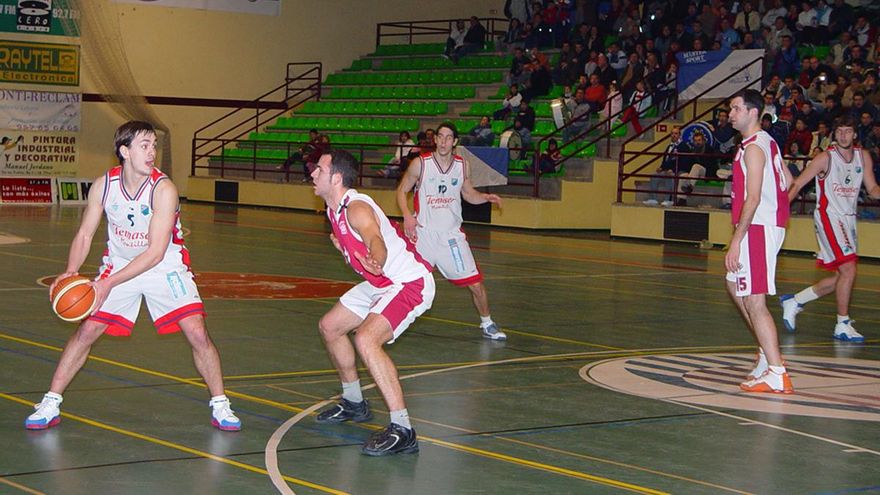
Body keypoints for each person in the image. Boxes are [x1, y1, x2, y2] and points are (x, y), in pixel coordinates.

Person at [25, 121, 241, 431]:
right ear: (124, 151)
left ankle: (221, 405)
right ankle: (50, 402)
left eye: (154, 145)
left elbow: (154, 252)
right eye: (144, 145)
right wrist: (70, 272)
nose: (152, 151)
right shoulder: (104, 185)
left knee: (196, 331)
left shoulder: (164, 189)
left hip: (164, 266)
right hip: (119, 262)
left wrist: (106, 284)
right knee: (87, 332)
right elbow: (85, 234)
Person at [312, 149, 435, 456]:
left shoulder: (356, 207)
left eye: (320, 169)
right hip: (379, 284)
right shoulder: (334, 210)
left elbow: (373, 237)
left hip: (409, 283)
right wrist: (342, 244)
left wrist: (376, 259)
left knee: (367, 340)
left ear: (336, 178)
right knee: (330, 327)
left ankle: (403, 429)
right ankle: (354, 401)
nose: (313, 173)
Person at [396, 123, 506, 340]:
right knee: (399, 277)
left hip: (451, 237)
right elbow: (402, 190)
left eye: (449, 138)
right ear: (435, 139)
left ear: (455, 142)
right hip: (423, 235)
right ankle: (380, 317)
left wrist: (484, 197)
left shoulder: (462, 166)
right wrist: (407, 216)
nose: (444, 141)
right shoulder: (420, 164)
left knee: (475, 284)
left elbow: (468, 194)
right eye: (440, 137)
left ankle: (487, 323)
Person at [780, 117, 880, 342]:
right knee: (849, 270)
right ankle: (842, 324)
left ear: (855, 134)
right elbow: (798, 183)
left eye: (848, 131)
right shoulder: (825, 158)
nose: (844, 135)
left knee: (841, 277)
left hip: (848, 219)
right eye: (840, 131)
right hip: (828, 216)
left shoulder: (862, 156)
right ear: (834, 134)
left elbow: (872, 189)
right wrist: (781, 208)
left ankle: (794, 301)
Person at [725, 89, 794, 394]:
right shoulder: (766, 142)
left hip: (757, 228)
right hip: (764, 225)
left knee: (755, 299)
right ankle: (767, 355)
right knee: (732, 282)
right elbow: (789, 182)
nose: (731, 113)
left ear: (753, 112)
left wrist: (737, 240)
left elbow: (752, 198)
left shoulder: (754, 148)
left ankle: (777, 371)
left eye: (736, 108)